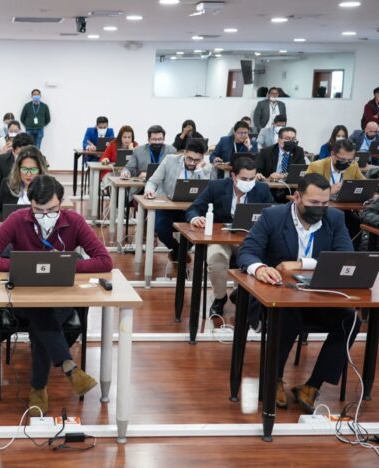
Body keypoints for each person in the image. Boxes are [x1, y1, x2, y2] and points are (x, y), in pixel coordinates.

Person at [0, 175, 112, 416]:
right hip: (23, 298)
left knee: (43, 317)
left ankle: (39, 389)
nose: (45, 215)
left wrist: (67, 265)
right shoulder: (17, 220)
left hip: (61, 297)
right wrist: (19, 266)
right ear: (30, 205)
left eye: (52, 210)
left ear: (61, 203)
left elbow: (104, 261)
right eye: (38, 210)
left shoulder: (74, 221)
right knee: (40, 311)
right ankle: (67, 368)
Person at [237, 173, 360, 413]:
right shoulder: (273, 216)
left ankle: (312, 386)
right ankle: (273, 379)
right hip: (276, 296)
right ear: (296, 197)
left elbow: (345, 255)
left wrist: (301, 263)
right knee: (288, 316)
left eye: (325, 203)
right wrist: (260, 268)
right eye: (314, 203)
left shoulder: (334, 218)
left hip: (317, 297)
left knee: (350, 320)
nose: (320, 209)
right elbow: (247, 252)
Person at [185, 156, 273, 316]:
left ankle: (241, 294)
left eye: (252, 178)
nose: (249, 182)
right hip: (221, 239)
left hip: (249, 240)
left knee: (262, 258)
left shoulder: (262, 189)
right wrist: (196, 218)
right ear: (233, 176)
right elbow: (194, 208)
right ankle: (220, 298)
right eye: (244, 178)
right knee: (215, 257)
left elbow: (272, 214)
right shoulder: (216, 187)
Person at [144, 139, 212, 264]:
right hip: (167, 207)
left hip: (190, 209)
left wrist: (198, 171)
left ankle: (181, 251)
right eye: (189, 158)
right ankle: (177, 249)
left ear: (203, 158)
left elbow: (207, 191)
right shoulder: (170, 160)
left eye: (196, 160)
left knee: (198, 230)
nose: (192, 162)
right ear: (184, 153)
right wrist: (149, 190)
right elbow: (152, 181)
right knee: (161, 227)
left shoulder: (206, 168)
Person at [307, 139, 365, 249]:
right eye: (342, 159)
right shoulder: (316, 166)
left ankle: (350, 256)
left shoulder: (353, 166)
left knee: (357, 223)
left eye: (349, 160)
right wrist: (329, 190)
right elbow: (308, 191)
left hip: (344, 209)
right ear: (333, 154)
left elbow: (363, 184)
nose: (346, 163)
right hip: (320, 209)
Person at [0, 145, 48, 225]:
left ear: (40, 170)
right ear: (18, 169)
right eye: (24, 169)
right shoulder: (8, 185)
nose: (28, 174)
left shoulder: (49, 188)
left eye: (33, 169)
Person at [121, 124, 177, 193]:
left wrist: (148, 174)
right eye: (154, 139)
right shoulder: (138, 151)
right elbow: (128, 168)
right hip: (142, 188)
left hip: (163, 189)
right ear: (148, 140)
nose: (157, 142)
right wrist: (125, 172)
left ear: (164, 139)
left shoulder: (171, 151)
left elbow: (175, 172)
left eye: (160, 139)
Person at [0, 133, 34, 197]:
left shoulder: (38, 162)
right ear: (13, 150)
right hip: (6, 198)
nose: (23, 157)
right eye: (20, 154)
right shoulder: (1, 160)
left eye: (27, 154)